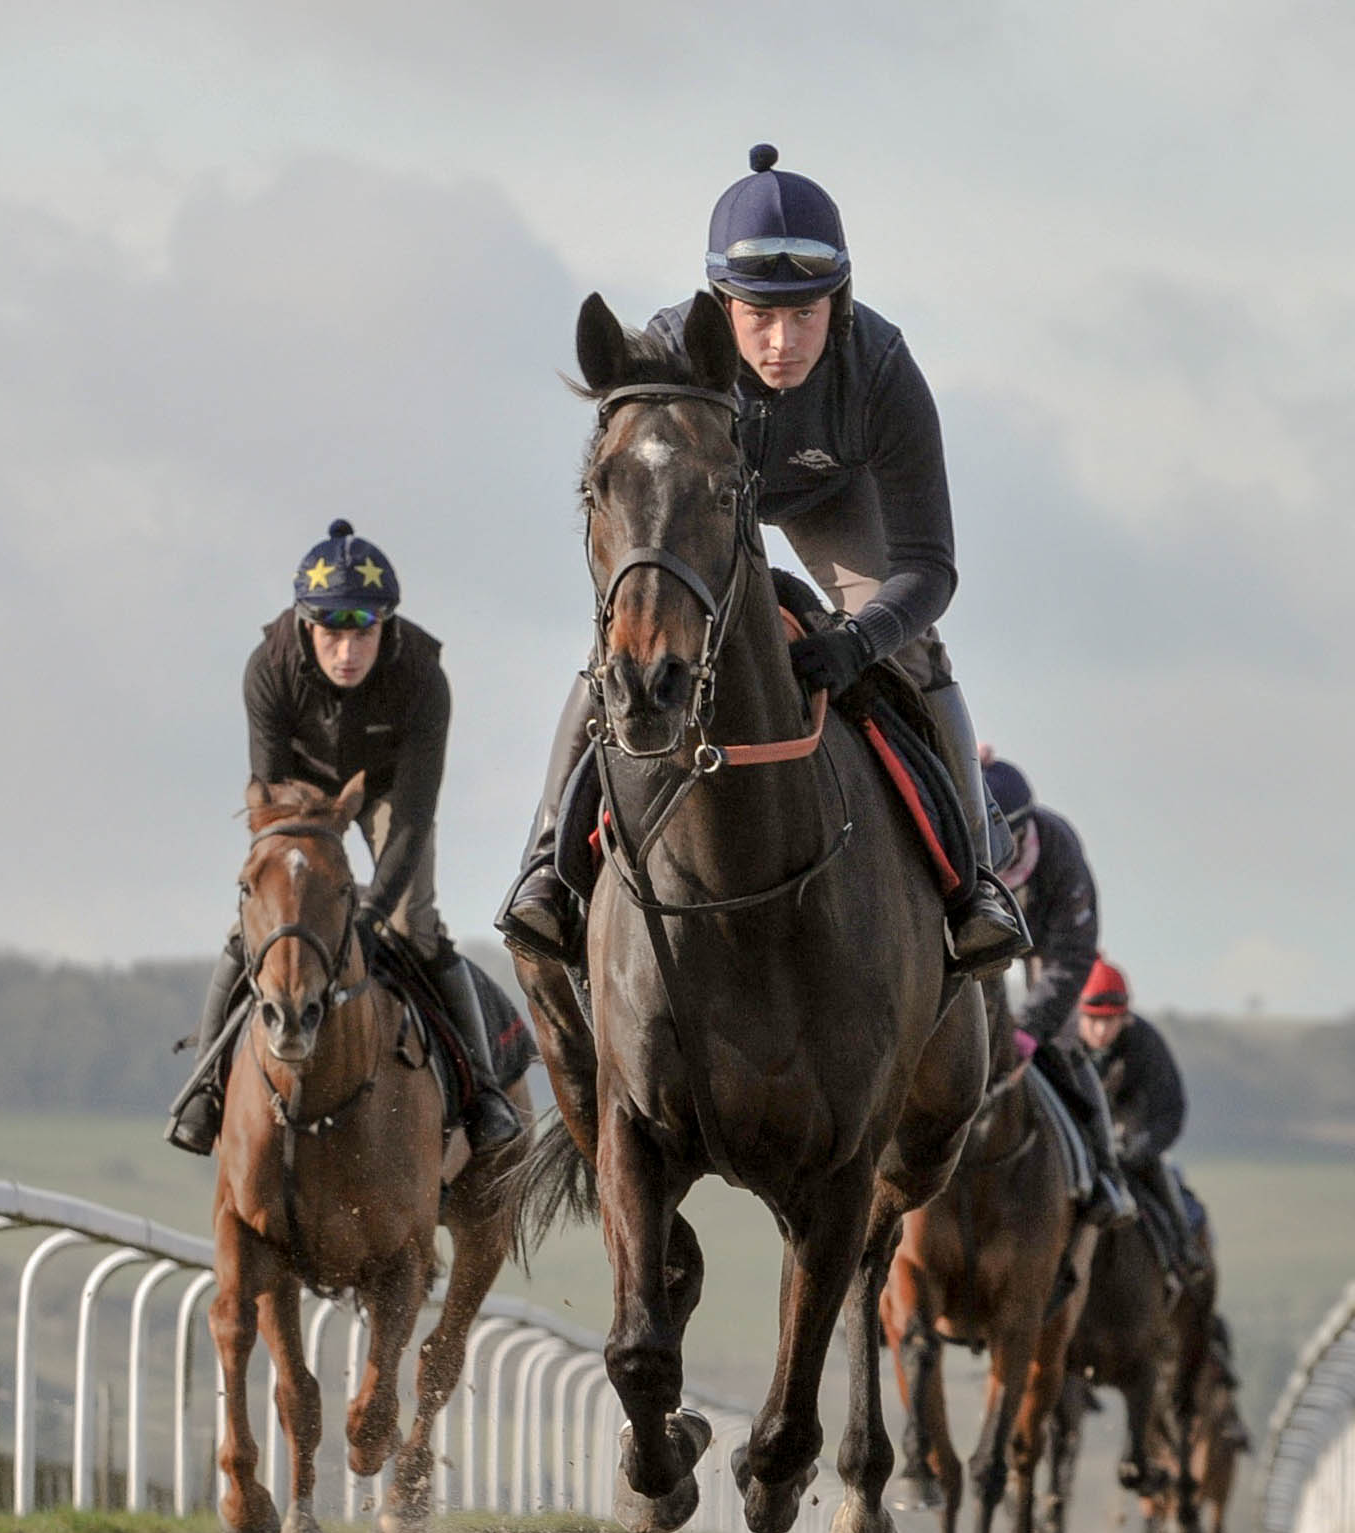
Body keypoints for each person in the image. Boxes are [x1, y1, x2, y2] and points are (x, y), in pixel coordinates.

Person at [497, 143, 1027, 977]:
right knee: (628, 647)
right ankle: (542, 869)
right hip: (704, 502)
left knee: (914, 648)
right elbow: (623, 507)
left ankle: (976, 888)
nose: (782, 342)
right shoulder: (670, 358)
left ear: (837, 303)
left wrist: (857, 641)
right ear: (721, 306)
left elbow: (929, 567)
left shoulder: (883, 370)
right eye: (758, 317)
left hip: (831, 498)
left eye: (805, 315)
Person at [165, 520, 525, 1160]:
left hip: (388, 791)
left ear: (386, 625)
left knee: (415, 924)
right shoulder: (269, 668)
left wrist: (368, 910)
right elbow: (268, 796)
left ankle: (484, 1094)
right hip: (296, 797)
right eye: (333, 634)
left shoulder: (423, 678)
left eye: (364, 632)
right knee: (253, 927)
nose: (348, 652)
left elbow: (413, 816)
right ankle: (205, 1091)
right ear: (308, 627)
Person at [980, 755, 1129, 1231]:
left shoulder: (1059, 851)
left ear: (1025, 832)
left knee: (1064, 1044)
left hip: (1053, 947)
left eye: (1005, 843)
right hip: (984, 939)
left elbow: (1071, 960)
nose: (994, 855)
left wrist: (1028, 1033)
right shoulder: (965, 846)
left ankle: (1105, 1173)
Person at [1074, 957, 1210, 1284]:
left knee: (1159, 1171)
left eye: (1112, 1020)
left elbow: (1171, 1110)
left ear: (1126, 1017)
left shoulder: (1145, 1044)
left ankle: (1184, 1250)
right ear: (1078, 1013)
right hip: (1078, 1146)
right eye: (1093, 1020)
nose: (1102, 1031)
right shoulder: (1059, 1044)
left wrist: (1141, 1148)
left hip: (1131, 1150)